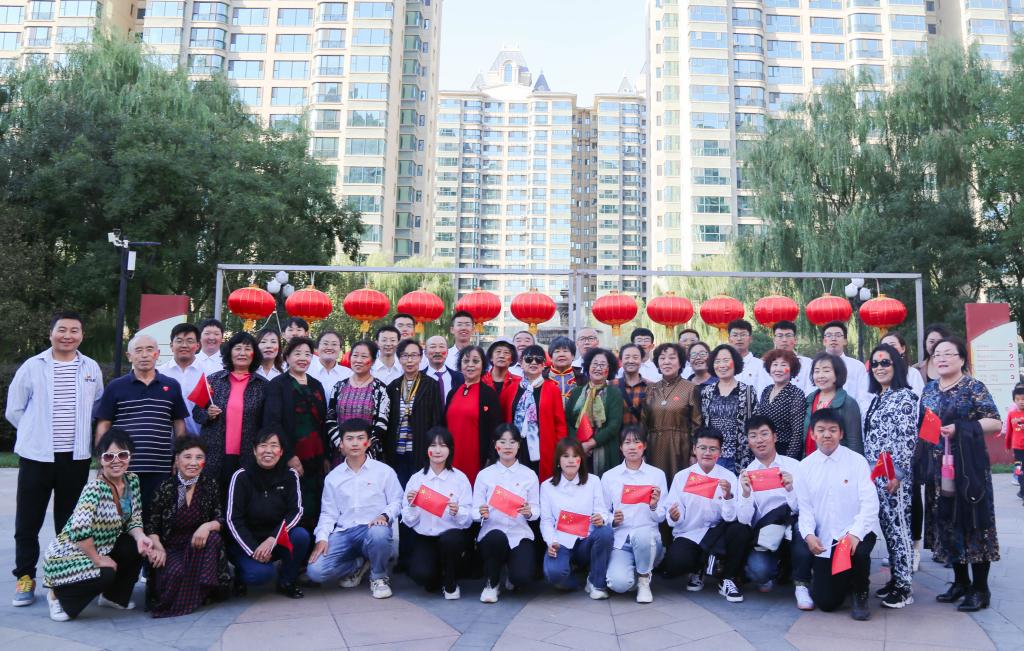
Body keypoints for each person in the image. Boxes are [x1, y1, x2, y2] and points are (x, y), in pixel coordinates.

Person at [7, 311, 104, 608]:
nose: (68, 335)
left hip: (75, 458)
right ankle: (25, 576)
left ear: (82, 335)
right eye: (62, 330)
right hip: (37, 457)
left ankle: (63, 577)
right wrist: (35, 434)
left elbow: (97, 406)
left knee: (70, 522)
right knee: (28, 520)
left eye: (74, 330)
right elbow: (14, 409)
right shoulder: (32, 366)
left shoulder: (91, 367)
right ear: (51, 334)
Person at [920, 337, 1002, 612]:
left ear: (962, 359)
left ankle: (980, 589)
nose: (941, 358)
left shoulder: (973, 387)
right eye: (937, 354)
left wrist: (960, 428)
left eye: (948, 354)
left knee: (973, 523)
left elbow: (994, 421)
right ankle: (960, 582)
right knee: (947, 522)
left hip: (968, 470)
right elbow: (925, 424)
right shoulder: (929, 389)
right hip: (939, 469)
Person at [42, 428, 153, 621]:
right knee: (105, 573)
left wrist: (141, 536)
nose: (116, 461)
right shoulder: (94, 488)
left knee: (134, 546)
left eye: (122, 455)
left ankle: (113, 597)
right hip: (69, 553)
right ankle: (57, 595)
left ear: (130, 456)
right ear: (101, 460)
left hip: (103, 546)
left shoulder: (132, 481)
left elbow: (134, 519)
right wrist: (98, 559)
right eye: (109, 456)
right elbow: (80, 531)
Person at [94, 334, 188, 523]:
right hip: (123, 466)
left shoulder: (171, 386)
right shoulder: (115, 387)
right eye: (138, 350)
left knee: (156, 518)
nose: (144, 355)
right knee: (122, 518)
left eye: (149, 350)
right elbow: (103, 424)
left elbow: (179, 424)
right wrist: (101, 460)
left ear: (157, 354)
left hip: (160, 466)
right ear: (129, 356)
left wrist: (179, 456)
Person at [796, 409, 879, 620]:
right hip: (826, 539)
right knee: (826, 603)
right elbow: (805, 509)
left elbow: (870, 504)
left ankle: (860, 592)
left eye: (833, 430)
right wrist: (809, 535)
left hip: (855, 533)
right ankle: (844, 579)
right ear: (812, 434)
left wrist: (855, 534)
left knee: (859, 552)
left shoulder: (857, 461)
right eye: (821, 430)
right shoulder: (804, 467)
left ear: (841, 433)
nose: (827, 435)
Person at [307, 419, 403, 599]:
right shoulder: (333, 477)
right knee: (315, 572)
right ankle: (358, 564)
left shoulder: (384, 471)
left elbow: (397, 501)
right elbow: (328, 513)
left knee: (380, 533)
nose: (355, 443)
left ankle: (379, 577)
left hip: (372, 529)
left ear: (369, 442)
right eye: (350, 439)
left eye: (360, 438)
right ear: (341, 444)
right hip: (344, 533)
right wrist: (322, 538)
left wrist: (384, 516)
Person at [663, 427, 750, 603]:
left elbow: (731, 518)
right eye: (702, 448)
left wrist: (728, 497)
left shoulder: (728, 477)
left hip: (718, 534)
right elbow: (673, 513)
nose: (707, 453)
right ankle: (699, 569)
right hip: (690, 533)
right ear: (694, 449)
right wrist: (674, 516)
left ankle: (728, 578)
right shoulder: (682, 477)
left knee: (741, 529)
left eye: (713, 449)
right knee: (676, 563)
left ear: (720, 452)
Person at [862, 343, 919, 609]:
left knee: (900, 530)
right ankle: (896, 579)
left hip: (895, 477)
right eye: (875, 363)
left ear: (896, 365)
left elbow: (907, 439)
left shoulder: (904, 396)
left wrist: (897, 474)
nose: (879, 368)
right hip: (878, 475)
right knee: (889, 530)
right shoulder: (879, 397)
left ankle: (904, 588)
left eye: (885, 362)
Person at [145, 438, 229, 617]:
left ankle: (199, 592)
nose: (193, 462)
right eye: (188, 457)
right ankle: (195, 595)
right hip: (171, 546)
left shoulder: (209, 485)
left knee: (213, 538)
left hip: (198, 545)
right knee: (176, 573)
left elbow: (220, 519)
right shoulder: (166, 487)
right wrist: (158, 547)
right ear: (177, 460)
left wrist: (206, 526)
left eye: (199, 457)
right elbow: (151, 525)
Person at [735, 416, 811, 608]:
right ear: (748, 441)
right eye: (753, 436)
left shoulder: (794, 466)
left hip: (792, 528)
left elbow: (803, 508)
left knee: (801, 527)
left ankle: (801, 584)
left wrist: (791, 488)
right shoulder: (747, 474)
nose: (759, 440)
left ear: (775, 437)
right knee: (759, 571)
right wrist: (745, 493)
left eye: (764, 434)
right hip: (766, 535)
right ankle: (778, 569)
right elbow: (743, 520)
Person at [226, 430, 308, 599]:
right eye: (263, 446)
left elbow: (296, 511)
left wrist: (272, 539)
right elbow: (233, 519)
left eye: (274, 446)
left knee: (300, 536)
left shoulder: (290, 475)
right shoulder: (241, 476)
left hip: (275, 538)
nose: (268, 451)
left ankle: (287, 580)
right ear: (254, 450)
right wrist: (254, 550)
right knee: (260, 575)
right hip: (248, 542)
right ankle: (241, 575)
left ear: (281, 451)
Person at [262, 336, 329, 531]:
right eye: (297, 353)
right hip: (289, 454)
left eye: (307, 354)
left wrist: (326, 455)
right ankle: (292, 541)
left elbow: (323, 422)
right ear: (287, 357)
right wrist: (289, 455)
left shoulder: (316, 384)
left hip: (316, 455)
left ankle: (314, 542)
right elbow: (272, 423)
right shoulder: (278, 384)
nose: (303, 358)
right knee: (293, 499)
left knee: (315, 499)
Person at [192, 331, 268, 494]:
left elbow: (266, 422)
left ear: (254, 354)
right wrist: (208, 414)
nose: (242, 353)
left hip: (248, 454)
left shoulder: (263, 385)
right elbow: (197, 412)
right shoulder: (212, 380)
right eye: (237, 348)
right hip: (214, 453)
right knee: (212, 497)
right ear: (229, 352)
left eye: (247, 349)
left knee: (241, 497)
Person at [402, 426, 473, 599]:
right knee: (421, 576)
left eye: (443, 445)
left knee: (451, 541)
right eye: (433, 445)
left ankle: (451, 582)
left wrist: (458, 511)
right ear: (426, 449)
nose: (437, 450)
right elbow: (408, 521)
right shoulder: (416, 479)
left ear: (450, 449)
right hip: (426, 537)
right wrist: (412, 505)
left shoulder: (460, 479)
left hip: (451, 537)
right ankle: (436, 574)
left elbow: (469, 520)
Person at [473, 424, 540, 603]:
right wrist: (481, 512)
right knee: (496, 538)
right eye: (502, 442)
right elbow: (474, 511)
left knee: (522, 577)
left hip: (519, 533)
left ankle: (511, 573)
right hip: (492, 534)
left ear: (519, 445)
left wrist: (529, 512)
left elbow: (536, 510)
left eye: (512, 442)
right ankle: (492, 583)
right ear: (496, 445)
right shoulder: (484, 475)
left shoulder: (529, 475)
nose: (507, 446)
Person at [602, 426, 668, 603]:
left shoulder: (657, 475)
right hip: (622, 540)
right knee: (619, 584)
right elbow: (602, 511)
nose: (632, 447)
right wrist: (613, 520)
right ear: (621, 447)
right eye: (627, 442)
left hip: (649, 540)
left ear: (644, 446)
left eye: (637, 442)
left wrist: (654, 506)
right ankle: (636, 572)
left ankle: (644, 581)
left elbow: (662, 516)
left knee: (642, 533)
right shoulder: (609, 477)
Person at [540, 438, 613, 598]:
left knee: (605, 532)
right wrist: (551, 541)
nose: (571, 460)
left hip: (587, 540)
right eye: (566, 456)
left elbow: (603, 511)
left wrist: (601, 518)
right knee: (554, 574)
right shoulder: (546, 486)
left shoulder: (593, 481)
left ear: (581, 459)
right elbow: (546, 521)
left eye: (575, 456)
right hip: (561, 541)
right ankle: (576, 582)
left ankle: (596, 583)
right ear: (558, 460)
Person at [385, 339, 444, 486]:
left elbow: (437, 420)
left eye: (414, 355)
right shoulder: (393, 386)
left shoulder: (431, 385)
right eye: (405, 356)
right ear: (399, 358)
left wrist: (434, 447)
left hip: (420, 449)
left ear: (421, 357)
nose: (409, 360)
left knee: (419, 489)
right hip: (397, 450)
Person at [644, 343, 702, 480]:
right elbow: (643, 422)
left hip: (680, 446)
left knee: (679, 483)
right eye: (662, 358)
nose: (667, 362)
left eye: (672, 358)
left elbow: (697, 424)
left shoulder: (691, 388)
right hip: (654, 446)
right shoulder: (651, 389)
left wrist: (694, 453)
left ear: (680, 362)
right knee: (655, 483)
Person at [444, 345, 502, 484]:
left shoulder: (489, 394)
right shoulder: (453, 392)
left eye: (475, 361)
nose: (470, 365)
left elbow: (496, 430)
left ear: (483, 365)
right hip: (451, 456)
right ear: (460, 365)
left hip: (477, 459)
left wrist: (490, 459)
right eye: (466, 361)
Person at [510, 343, 568, 482]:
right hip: (516, 444)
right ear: (521, 363)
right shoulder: (511, 389)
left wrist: (561, 450)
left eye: (539, 359)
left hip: (543, 446)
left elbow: (560, 423)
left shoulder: (552, 390)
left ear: (543, 365)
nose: (534, 362)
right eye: (529, 359)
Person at [326, 340, 390, 461]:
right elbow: (330, 419)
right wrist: (341, 444)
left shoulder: (380, 389)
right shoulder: (339, 387)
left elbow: (382, 423)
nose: (358, 360)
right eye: (355, 355)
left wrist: (363, 446)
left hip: (369, 453)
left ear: (373, 361)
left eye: (364, 356)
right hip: (341, 452)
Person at [566, 348, 624, 475]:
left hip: (606, 448)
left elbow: (614, 426)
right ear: (588, 366)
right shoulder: (577, 392)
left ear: (609, 369)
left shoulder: (614, 393)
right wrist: (579, 444)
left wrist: (590, 444)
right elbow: (568, 421)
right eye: (595, 364)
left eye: (603, 365)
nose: (598, 368)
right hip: (577, 449)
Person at [701, 344, 758, 472]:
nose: (722, 365)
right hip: (713, 456)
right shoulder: (706, 392)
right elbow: (703, 424)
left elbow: (754, 425)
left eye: (726, 360)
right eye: (717, 361)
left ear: (735, 362)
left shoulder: (748, 392)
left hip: (741, 456)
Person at [803, 353, 863, 456]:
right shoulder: (809, 400)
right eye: (816, 371)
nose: (820, 375)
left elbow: (854, 442)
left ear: (837, 374)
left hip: (837, 460)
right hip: (809, 459)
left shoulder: (848, 403)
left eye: (826, 371)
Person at [754, 349, 808, 459]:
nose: (778, 369)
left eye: (783, 365)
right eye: (775, 365)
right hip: (765, 449)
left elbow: (797, 433)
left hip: (785, 450)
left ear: (792, 369)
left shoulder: (796, 393)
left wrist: (789, 459)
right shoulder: (766, 390)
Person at [159, 323, 204, 436]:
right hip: (167, 440)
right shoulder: (159, 374)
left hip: (201, 439)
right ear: (171, 345)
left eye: (190, 341)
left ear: (198, 345)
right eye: (179, 341)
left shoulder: (207, 374)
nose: (184, 345)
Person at [820, 321, 868, 404]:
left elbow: (863, 396)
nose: (833, 339)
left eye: (838, 335)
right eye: (829, 335)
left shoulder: (857, 366)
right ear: (824, 341)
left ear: (845, 341)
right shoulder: (815, 366)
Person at [483, 339, 522, 421]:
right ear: (491, 357)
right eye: (498, 352)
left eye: (506, 353)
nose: (502, 356)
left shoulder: (520, 383)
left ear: (511, 359)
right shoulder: (481, 381)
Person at [727, 319, 769, 393]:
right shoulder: (724, 365)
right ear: (729, 340)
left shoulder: (760, 365)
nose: (739, 338)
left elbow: (766, 393)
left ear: (750, 339)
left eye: (743, 335)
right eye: (735, 335)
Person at [424, 334, 464, 409]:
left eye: (441, 346)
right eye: (433, 347)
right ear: (425, 353)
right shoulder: (418, 378)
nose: (437, 351)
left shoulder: (460, 378)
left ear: (447, 352)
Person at [879, 332, 925, 397]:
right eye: (884, 346)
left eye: (892, 345)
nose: (888, 349)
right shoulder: (877, 373)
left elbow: (919, 398)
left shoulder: (913, 373)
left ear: (903, 348)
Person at [772, 321, 813, 393]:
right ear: (774, 340)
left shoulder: (807, 363)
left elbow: (811, 391)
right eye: (780, 336)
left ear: (795, 340)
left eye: (788, 335)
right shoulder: (766, 364)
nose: (784, 340)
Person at [308, 329, 352, 394]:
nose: (329, 348)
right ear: (317, 348)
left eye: (334, 344)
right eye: (325, 343)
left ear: (340, 349)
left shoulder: (348, 374)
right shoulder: (307, 371)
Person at [1001, 386, 1024, 502]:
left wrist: (1020, 421)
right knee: (1019, 469)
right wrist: (1007, 445)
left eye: (1023, 399)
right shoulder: (1011, 414)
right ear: (1014, 401)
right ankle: (1022, 489)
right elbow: (1009, 431)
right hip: (1017, 448)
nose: (1021, 402)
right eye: (1018, 399)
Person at [545, 336, 585, 404]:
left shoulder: (582, 378)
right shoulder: (542, 378)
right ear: (551, 358)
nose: (561, 354)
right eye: (557, 351)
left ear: (573, 356)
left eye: (565, 351)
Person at [617, 344, 648, 428]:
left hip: (643, 435)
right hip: (618, 435)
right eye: (627, 357)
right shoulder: (612, 386)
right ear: (621, 360)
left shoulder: (650, 386)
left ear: (641, 360)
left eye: (635, 357)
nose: (631, 361)